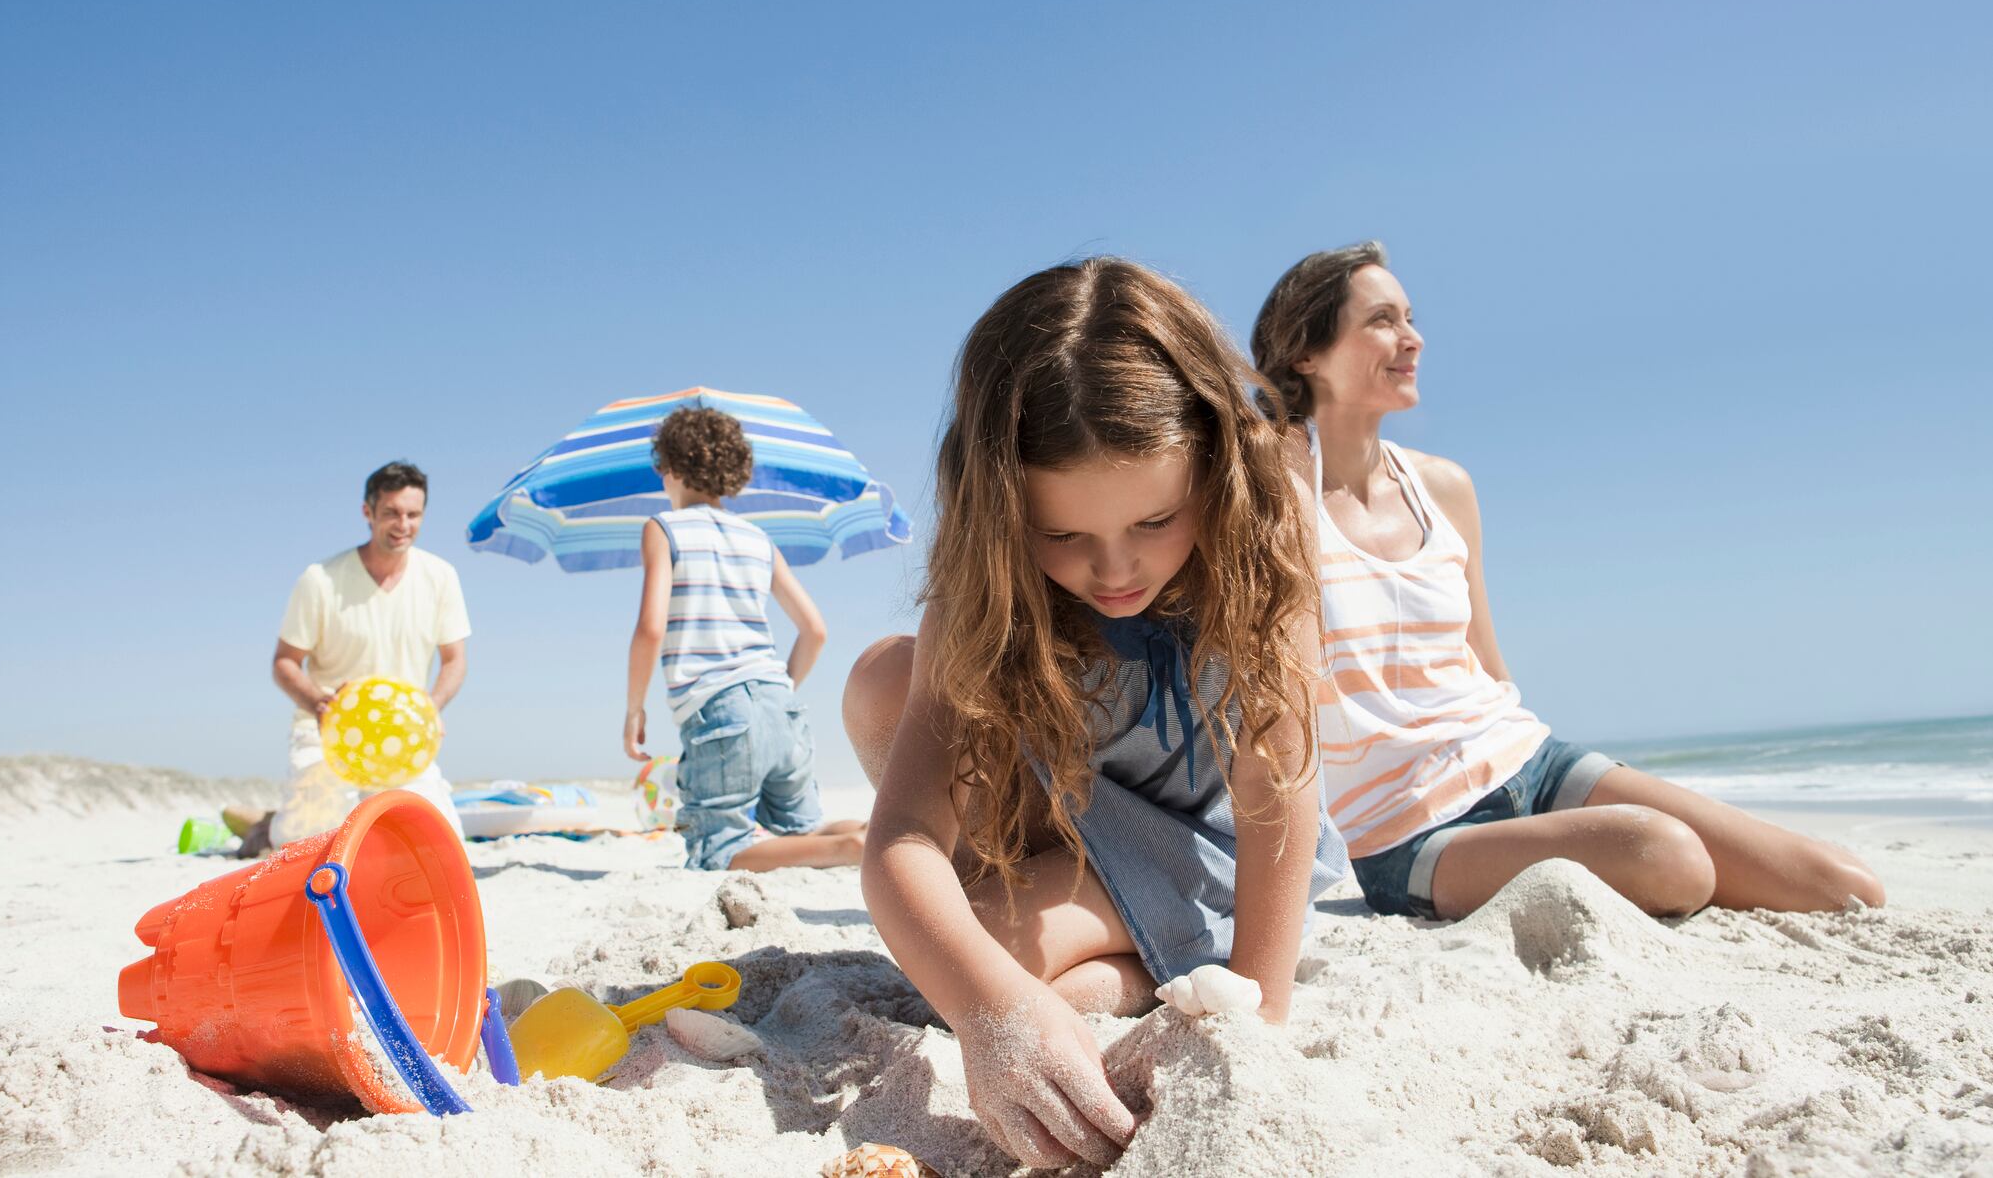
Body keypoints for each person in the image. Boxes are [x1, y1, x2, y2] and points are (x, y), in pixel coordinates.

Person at [843, 258, 1348, 1171]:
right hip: (1076, 817)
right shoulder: (983, 576)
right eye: (1064, 535)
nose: (1115, 571)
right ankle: (1124, 959)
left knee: (977, 943)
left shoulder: (1266, 520)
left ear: (1212, 465)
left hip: (1214, 839)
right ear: (1001, 509)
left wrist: (1258, 1004)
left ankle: (1142, 954)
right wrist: (991, 1014)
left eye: (1155, 521)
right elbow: (903, 836)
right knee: (886, 680)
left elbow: (1276, 780)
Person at [1249, 242, 1884, 921]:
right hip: (1409, 831)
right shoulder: (1270, 488)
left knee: (1843, 886)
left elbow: (1486, 662)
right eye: (1382, 320)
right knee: (1667, 859)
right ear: (1305, 354)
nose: (1412, 339)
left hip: (1530, 763)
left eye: (1410, 317)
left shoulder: (1443, 486)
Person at [625, 406, 866, 871]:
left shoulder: (663, 528)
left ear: (672, 469)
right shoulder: (758, 538)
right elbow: (814, 629)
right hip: (780, 702)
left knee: (718, 851)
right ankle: (867, 835)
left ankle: (848, 849)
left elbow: (651, 628)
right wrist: (781, 691)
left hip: (719, 709)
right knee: (803, 829)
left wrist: (635, 708)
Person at [267, 461, 470, 846]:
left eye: (413, 514)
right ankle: (269, 826)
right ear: (368, 512)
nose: (403, 525)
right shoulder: (320, 579)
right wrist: (319, 704)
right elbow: (284, 662)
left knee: (440, 843)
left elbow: (455, 660)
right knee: (305, 846)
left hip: (404, 736)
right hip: (326, 734)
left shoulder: (440, 576)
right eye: (391, 513)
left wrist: (431, 707)